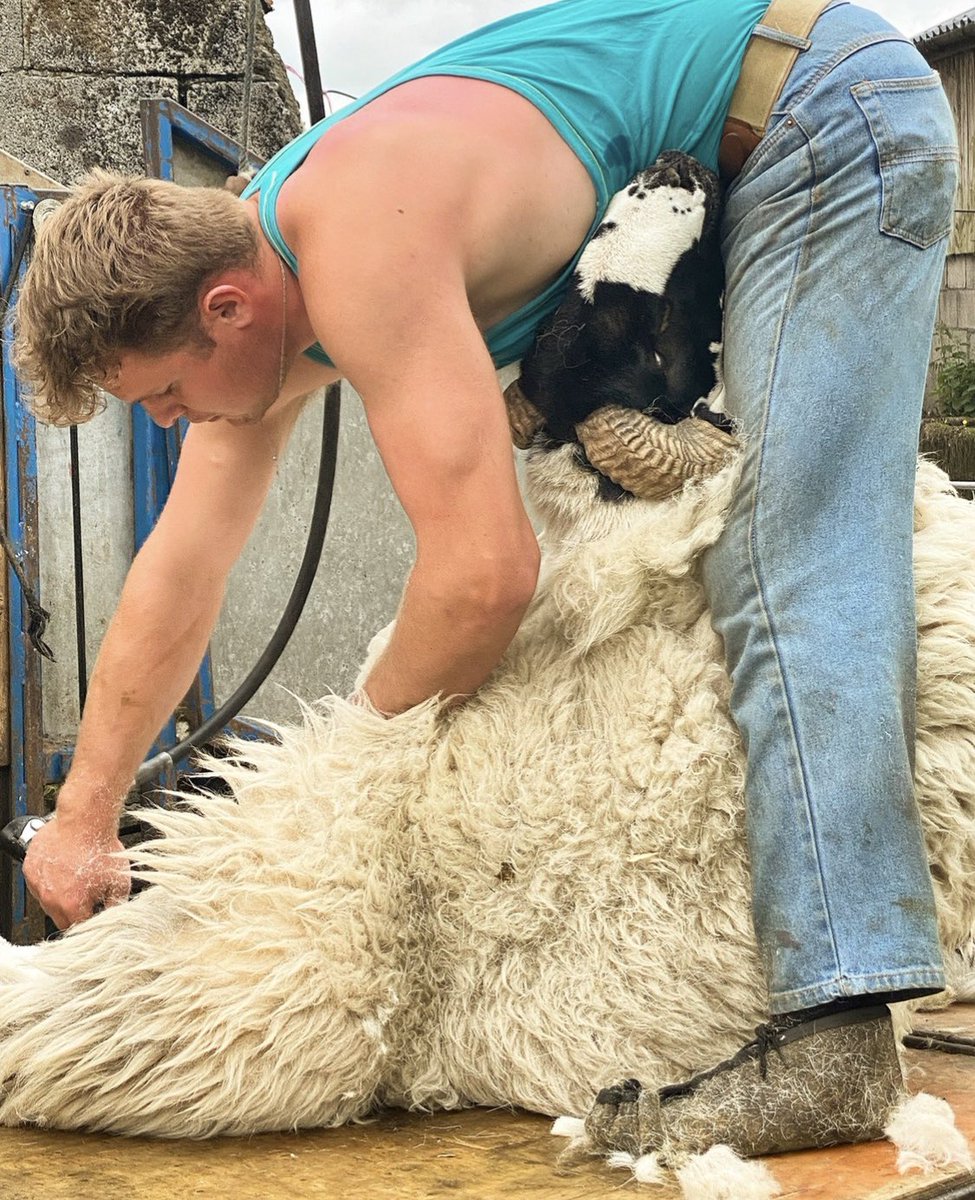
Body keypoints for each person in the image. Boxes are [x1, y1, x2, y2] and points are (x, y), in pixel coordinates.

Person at [11, 0, 959, 1161]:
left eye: (159, 393)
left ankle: (838, 1024)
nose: (166, 420)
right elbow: (181, 569)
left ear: (225, 308)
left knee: (789, 549)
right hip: (744, 138)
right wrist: (84, 818)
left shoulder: (358, 235)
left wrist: (337, 784)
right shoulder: (265, 286)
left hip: (820, 110)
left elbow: (482, 577)